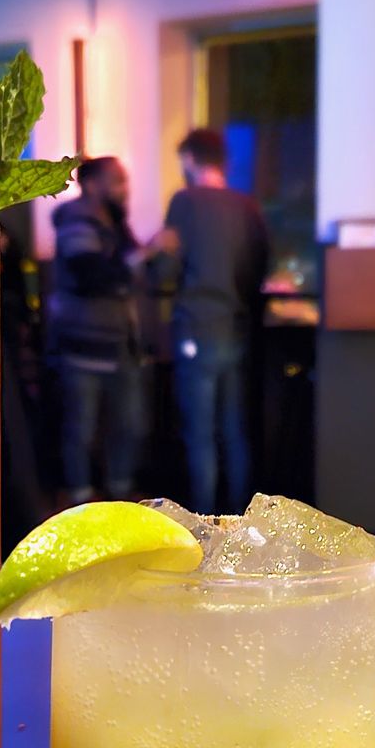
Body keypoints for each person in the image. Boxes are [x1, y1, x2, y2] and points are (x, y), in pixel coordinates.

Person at [154, 128, 269, 513]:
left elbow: (167, 266)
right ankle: (240, 520)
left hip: (197, 328)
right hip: (237, 328)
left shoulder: (184, 202)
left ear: (190, 159)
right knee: (236, 432)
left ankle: (205, 523)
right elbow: (259, 267)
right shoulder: (247, 206)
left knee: (200, 434)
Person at [49, 157, 150, 503]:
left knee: (129, 426)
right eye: (117, 182)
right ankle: (79, 502)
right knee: (81, 428)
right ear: (92, 185)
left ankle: (122, 497)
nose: (125, 190)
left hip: (121, 345)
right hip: (84, 346)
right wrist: (143, 256)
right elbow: (89, 274)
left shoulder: (116, 221)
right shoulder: (77, 220)